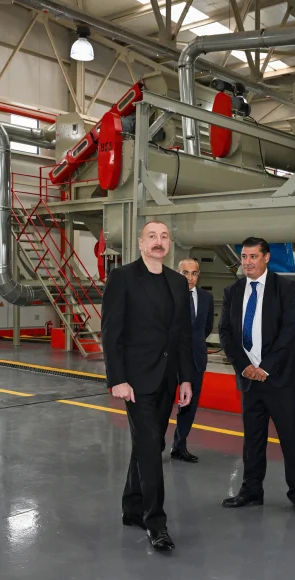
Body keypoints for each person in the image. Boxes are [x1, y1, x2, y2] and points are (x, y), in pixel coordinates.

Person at [101, 220, 193, 551]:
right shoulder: (123, 278)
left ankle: (131, 507)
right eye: (152, 236)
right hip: (136, 381)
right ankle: (156, 523)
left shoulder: (177, 282)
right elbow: (111, 332)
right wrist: (117, 379)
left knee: (147, 445)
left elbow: (182, 335)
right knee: (152, 448)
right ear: (141, 243)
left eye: (164, 236)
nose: (158, 241)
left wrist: (185, 378)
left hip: (167, 378)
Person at [218, 237, 295, 518]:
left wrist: (265, 367)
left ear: (266, 257)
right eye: (244, 257)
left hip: (280, 378)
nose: (247, 262)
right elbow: (225, 333)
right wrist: (244, 366)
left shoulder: (284, 288)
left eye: (253, 257)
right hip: (249, 379)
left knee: (291, 438)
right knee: (253, 439)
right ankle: (251, 490)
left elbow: (288, 331)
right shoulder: (233, 291)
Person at [171, 257, 214, 463]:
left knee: (188, 406)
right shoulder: (168, 296)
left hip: (195, 358)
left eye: (194, 273)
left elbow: (206, 328)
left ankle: (179, 446)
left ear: (199, 275)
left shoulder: (206, 298)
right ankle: (153, 446)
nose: (190, 277)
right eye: (185, 273)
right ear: (177, 274)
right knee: (162, 404)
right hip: (170, 358)